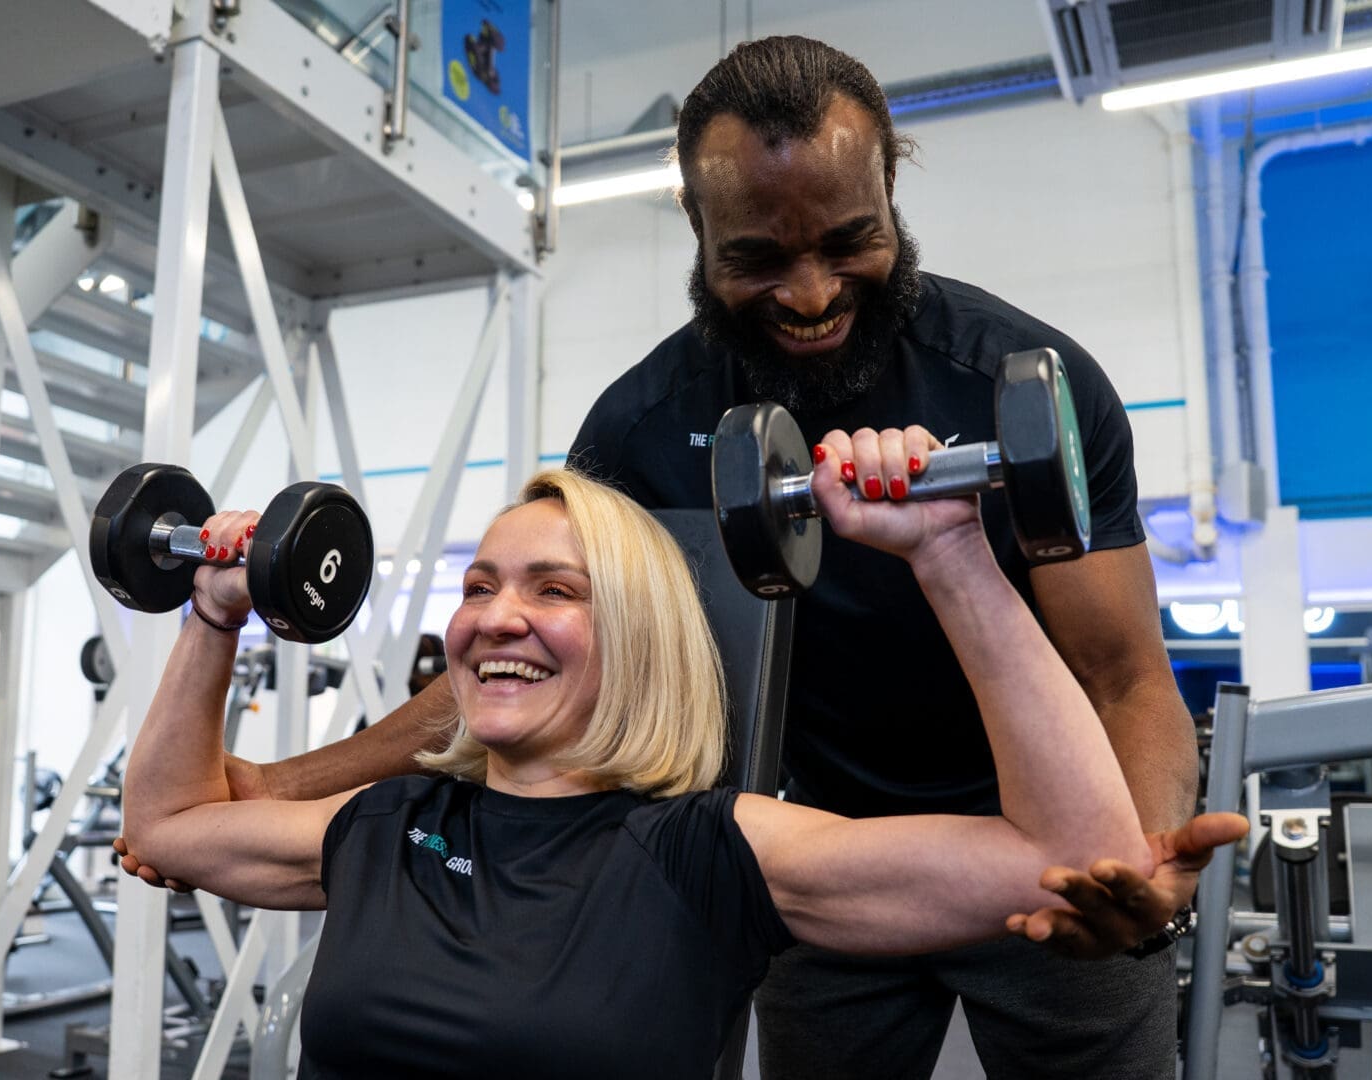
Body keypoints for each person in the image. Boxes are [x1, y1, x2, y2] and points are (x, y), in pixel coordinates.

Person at [121, 35, 1222, 1077]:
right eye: (757, 257)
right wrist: (267, 785)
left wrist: (1133, 861)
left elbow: (1124, 675)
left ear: (894, 183)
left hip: (1051, 840)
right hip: (820, 843)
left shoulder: (1024, 383)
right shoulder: (645, 427)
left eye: (849, 241)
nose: (810, 293)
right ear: (694, 227)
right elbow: (525, 661)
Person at [122, 465, 1242, 1078]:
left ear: (639, 637)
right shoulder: (382, 822)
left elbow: (1066, 858)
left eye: (556, 590)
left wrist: (950, 555)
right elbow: (166, 823)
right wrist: (213, 618)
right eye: (477, 587)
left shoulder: (708, 848)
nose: (496, 617)